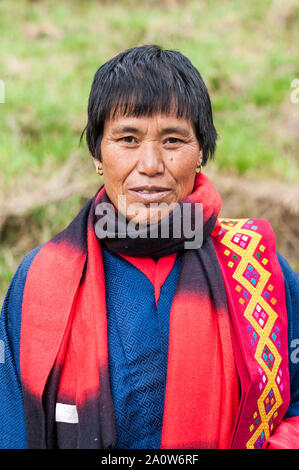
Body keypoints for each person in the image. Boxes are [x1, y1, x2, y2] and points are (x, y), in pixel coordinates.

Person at [1, 45, 299, 450]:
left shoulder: (260, 273)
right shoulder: (40, 281)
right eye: (127, 138)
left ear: (201, 155)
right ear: (97, 155)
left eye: (174, 140)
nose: (151, 164)